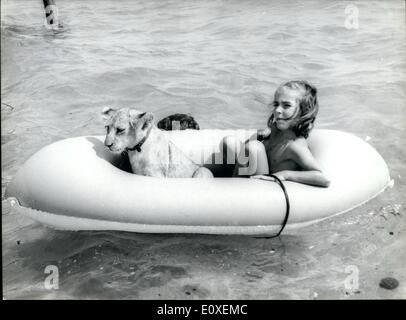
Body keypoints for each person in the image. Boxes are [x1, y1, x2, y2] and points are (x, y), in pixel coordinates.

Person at [222, 80, 330, 187]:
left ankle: (231, 192)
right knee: (229, 142)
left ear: (304, 111)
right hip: (251, 177)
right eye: (276, 104)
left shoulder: (295, 145)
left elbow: (323, 179)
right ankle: (226, 185)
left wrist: (285, 175)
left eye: (286, 105)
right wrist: (260, 136)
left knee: (254, 148)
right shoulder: (274, 129)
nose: (277, 110)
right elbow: (247, 149)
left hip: (264, 189)